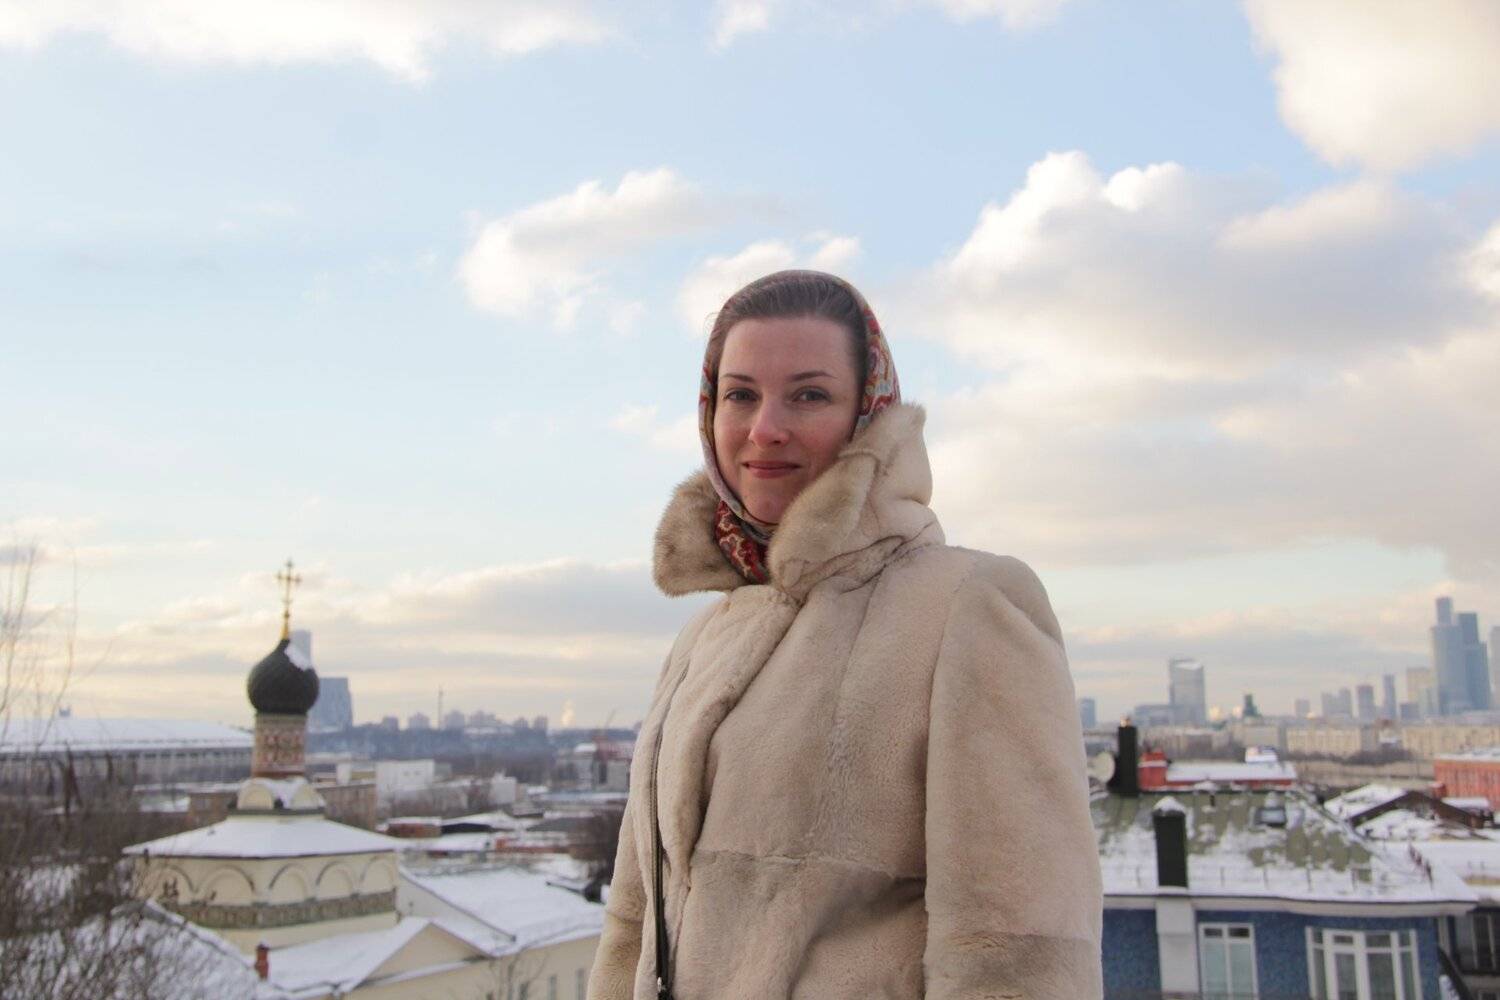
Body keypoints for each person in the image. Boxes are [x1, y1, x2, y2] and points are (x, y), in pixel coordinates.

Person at [586, 270, 1102, 999]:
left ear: (870, 415)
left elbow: (1017, 951)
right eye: (741, 395)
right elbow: (639, 919)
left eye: (809, 395)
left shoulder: (967, 605)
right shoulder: (706, 636)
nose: (765, 428)